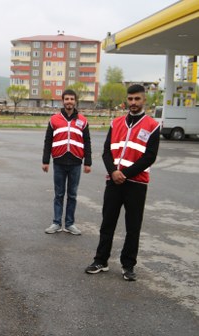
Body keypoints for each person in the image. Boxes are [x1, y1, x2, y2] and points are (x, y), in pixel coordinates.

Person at [85, 84, 160, 281]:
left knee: (133, 226)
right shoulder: (116, 123)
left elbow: (149, 157)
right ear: (126, 100)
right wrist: (113, 172)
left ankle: (128, 266)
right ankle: (101, 261)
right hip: (113, 181)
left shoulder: (152, 126)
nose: (133, 103)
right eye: (130, 99)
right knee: (107, 223)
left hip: (136, 183)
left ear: (144, 100)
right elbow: (106, 151)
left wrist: (124, 174)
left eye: (137, 99)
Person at [42, 89, 92, 235]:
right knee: (58, 194)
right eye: (66, 99)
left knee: (72, 194)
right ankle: (56, 223)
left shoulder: (83, 121)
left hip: (76, 162)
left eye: (71, 99)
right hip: (59, 162)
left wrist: (88, 162)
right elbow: (48, 141)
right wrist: (46, 161)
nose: (69, 101)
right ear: (62, 101)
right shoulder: (54, 120)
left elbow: (87, 142)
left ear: (75, 101)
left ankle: (70, 223)